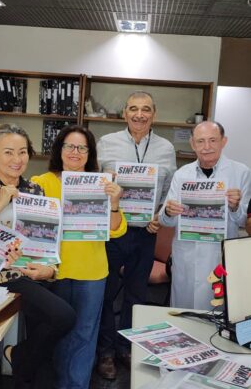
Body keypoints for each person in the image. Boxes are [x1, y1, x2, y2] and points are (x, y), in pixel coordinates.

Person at [0, 123, 76, 389]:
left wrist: (50, 269)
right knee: (63, 316)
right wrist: (1, 202)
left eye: (22, 152)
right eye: (8, 152)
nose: (17, 159)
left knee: (49, 330)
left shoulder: (35, 190)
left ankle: (20, 359)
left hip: (30, 273)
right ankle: (18, 357)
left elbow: (46, 238)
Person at [31, 125, 127, 389]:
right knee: (57, 332)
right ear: (60, 149)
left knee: (85, 335)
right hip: (54, 270)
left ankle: (76, 385)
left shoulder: (101, 185)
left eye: (82, 147)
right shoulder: (41, 182)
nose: (75, 152)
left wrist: (114, 203)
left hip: (92, 271)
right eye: (70, 146)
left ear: (90, 153)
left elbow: (117, 229)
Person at [95, 91, 176, 380]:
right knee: (106, 293)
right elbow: (96, 185)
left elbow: (169, 192)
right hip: (112, 231)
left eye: (145, 109)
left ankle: (125, 347)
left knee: (136, 294)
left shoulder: (166, 148)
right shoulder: (106, 143)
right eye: (133, 109)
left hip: (145, 233)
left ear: (154, 114)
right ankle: (105, 351)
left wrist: (159, 217)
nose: (139, 114)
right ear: (124, 113)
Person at [159, 121, 250, 310]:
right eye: (200, 141)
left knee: (216, 313)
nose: (206, 147)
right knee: (183, 313)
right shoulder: (182, 174)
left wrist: (235, 207)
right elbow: (164, 219)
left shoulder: (241, 172)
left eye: (212, 140)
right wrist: (168, 211)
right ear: (192, 144)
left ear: (223, 141)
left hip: (220, 256)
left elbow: (245, 222)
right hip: (186, 254)